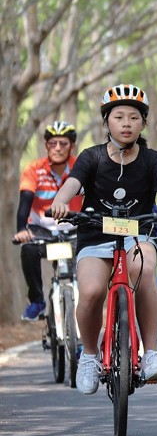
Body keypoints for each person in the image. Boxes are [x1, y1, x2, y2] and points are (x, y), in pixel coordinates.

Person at [49, 84, 157, 395]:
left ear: (143, 123)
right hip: (95, 235)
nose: (126, 123)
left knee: (144, 270)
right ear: (106, 122)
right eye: (119, 117)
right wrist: (60, 202)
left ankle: (150, 353)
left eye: (134, 117)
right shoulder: (91, 157)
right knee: (92, 291)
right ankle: (89, 355)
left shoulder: (152, 159)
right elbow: (72, 184)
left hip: (140, 233)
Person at [14, 121, 84, 321]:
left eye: (63, 143)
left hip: (74, 231)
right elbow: (25, 201)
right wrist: (21, 229)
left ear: (72, 146)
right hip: (42, 230)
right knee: (28, 248)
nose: (58, 148)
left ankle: (79, 327)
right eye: (53, 143)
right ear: (46, 146)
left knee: (88, 264)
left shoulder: (81, 167)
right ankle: (37, 301)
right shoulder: (33, 169)